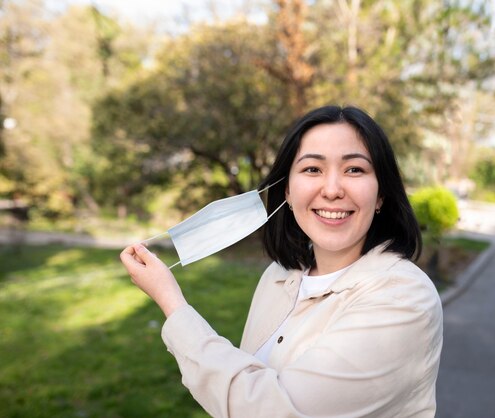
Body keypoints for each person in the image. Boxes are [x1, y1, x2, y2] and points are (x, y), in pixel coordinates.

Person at [120, 105, 443, 417]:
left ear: (381, 195)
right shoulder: (278, 276)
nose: (332, 190)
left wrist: (172, 304)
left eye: (354, 169)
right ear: (287, 190)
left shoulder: (403, 298)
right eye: (312, 169)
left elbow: (271, 409)